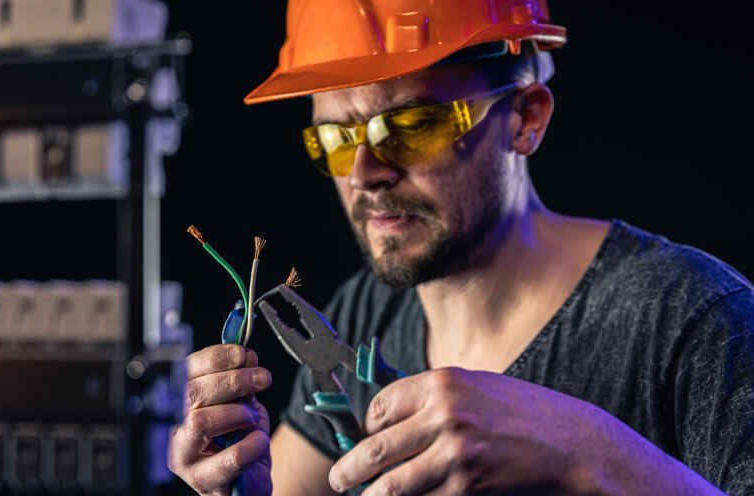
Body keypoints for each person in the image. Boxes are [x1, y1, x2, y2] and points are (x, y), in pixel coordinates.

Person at [168, 1, 754, 494]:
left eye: (414, 125)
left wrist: (587, 453)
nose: (367, 173)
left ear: (525, 118)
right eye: (336, 139)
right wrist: (227, 482)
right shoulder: (363, 314)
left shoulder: (693, 317)